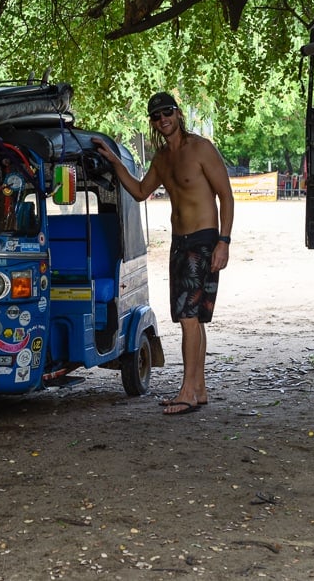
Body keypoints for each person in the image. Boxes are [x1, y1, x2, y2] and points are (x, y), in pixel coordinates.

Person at [92, 92, 234, 416]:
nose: (162, 120)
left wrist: (224, 241)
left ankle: (186, 390)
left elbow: (226, 195)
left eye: (166, 112)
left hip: (204, 241)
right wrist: (115, 163)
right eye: (156, 116)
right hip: (179, 243)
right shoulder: (161, 159)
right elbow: (141, 192)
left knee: (187, 318)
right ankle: (198, 389)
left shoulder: (200, 148)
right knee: (193, 319)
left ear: (177, 113)